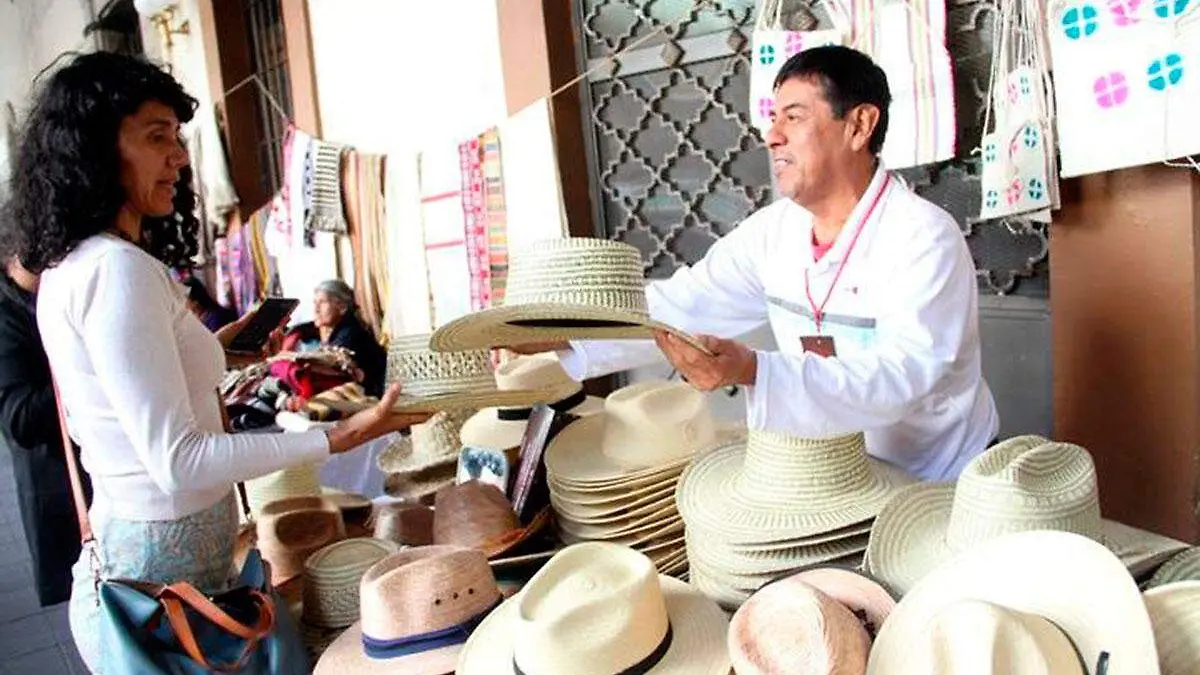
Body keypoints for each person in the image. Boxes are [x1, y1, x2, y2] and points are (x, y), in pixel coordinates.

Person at [2, 51, 429, 672]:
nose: (178, 157)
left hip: (160, 569)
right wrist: (337, 437)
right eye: (157, 138)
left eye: (176, 137)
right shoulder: (117, 271)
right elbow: (178, 461)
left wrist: (214, 351)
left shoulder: (78, 264)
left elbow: (122, 400)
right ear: (96, 150)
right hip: (162, 591)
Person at [522, 46, 999, 481]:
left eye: (793, 117)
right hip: (837, 477)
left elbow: (903, 377)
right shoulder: (774, 232)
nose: (771, 136)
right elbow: (684, 303)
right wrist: (564, 328)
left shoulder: (923, 236)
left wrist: (755, 371)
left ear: (858, 125)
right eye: (773, 120)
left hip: (938, 477)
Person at [0, 255, 90, 607]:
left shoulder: (53, 295)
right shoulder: (7, 316)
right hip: (62, 487)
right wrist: (85, 372)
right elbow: (19, 419)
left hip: (92, 473)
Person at [284, 279, 387, 397]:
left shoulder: (350, 334)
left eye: (322, 302)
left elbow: (330, 365)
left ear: (342, 307)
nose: (316, 309)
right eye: (315, 303)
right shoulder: (340, 330)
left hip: (371, 396)